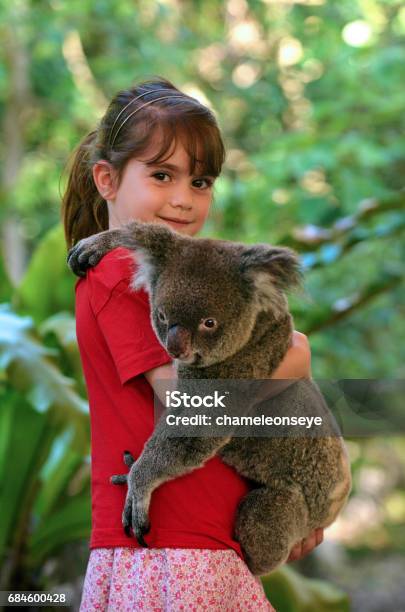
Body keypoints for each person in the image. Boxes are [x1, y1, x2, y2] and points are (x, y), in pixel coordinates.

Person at [62, 76, 323, 611]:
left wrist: (294, 504)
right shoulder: (119, 272)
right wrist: (296, 357)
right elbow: (194, 404)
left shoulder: (185, 277)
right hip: (168, 552)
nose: (183, 199)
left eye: (201, 182)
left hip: (203, 542)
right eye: (162, 175)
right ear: (106, 179)